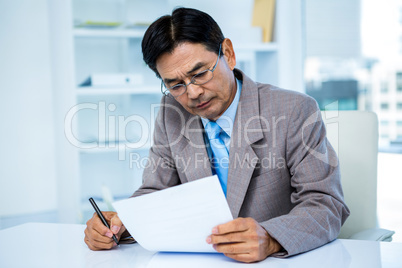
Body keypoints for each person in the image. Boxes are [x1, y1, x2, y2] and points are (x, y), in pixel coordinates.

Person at [84, 7, 350, 263]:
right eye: (175, 84)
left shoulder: (294, 110)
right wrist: (121, 225)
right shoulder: (171, 112)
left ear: (229, 54)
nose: (192, 93)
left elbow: (326, 205)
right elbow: (155, 192)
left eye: (199, 74)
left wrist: (271, 238)